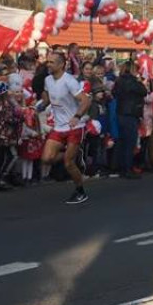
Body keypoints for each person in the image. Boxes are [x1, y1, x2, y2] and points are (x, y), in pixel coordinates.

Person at [39, 51, 92, 204]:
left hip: (75, 126)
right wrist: (42, 104)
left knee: (69, 163)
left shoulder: (69, 81)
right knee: (46, 158)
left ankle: (80, 191)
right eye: (48, 62)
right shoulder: (48, 79)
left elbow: (86, 101)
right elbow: (47, 95)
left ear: (61, 65)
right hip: (59, 126)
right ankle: (72, 153)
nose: (48, 65)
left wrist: (77, 116)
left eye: (52, 62)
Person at [113, 61, 147, 178]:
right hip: (131, 113)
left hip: (121, 112)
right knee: (130, 142)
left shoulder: (119, 81)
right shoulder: (133, 82)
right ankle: (127, 168)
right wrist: (139, 81)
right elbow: (143, 91)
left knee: (122, 142)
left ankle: (121, 167)